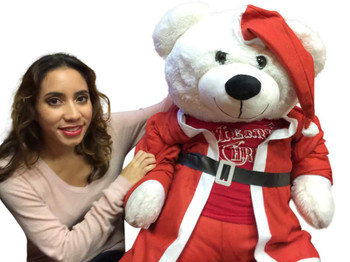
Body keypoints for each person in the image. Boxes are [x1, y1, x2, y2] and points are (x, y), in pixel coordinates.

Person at [0, 53, 171, 262]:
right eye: (54, 101)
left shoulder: (108, 131)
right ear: (32, 109)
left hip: (112, 256)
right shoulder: (11, 171)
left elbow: (170, 107)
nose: (73, 114)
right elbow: (66, 253)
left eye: (81, 98)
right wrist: (123, 183)